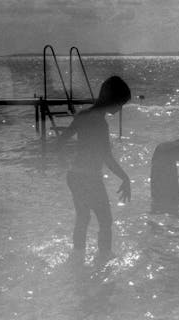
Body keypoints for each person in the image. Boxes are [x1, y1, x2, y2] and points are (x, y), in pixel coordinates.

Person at [55, 76, 132, 265]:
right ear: (112, 100)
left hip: (74, 176)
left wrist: (65, 163)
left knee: (83, 217)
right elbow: (107, 157)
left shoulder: (82, 116)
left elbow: (60, 141)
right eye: (120, 104)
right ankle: (104, 257)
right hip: (90, 178)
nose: (120, 109)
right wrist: (125, 178)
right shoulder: (100, 123)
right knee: (105, 220)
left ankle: (77, 256)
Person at [150, 139, 179, 214]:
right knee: (175, 200)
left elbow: (154, 169)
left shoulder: (165, 145)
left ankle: (156, 212)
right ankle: (174, 214)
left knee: (156, 198)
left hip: (156, 167)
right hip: (164, 164)